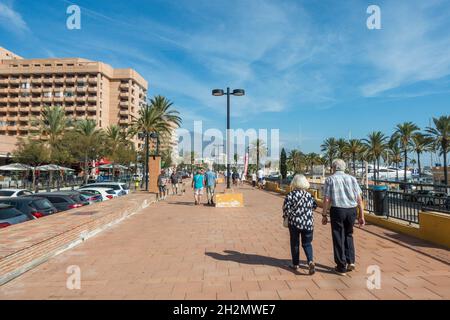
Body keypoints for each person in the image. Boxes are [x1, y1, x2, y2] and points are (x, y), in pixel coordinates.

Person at [322, 159, 365, 276]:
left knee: (338, 236)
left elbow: (326, 199)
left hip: (338, 210)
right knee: (348, 234)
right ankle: (351, 260)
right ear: (344, 168)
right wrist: (361, 215)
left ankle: (341, 266)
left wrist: (324, 214)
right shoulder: (352, 179)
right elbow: (359, 199)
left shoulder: (330, 179)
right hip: (352, 211)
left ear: (333, 168)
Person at [283, 174, 317, 274]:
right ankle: (310, 261)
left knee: (295, 243)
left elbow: (285, 209)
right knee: (307, 243)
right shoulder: (309, 195)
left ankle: (295, 264)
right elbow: (314, 207)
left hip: (294, 223)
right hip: (308, 223)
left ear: (294, 183)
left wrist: (287, 216)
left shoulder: (290, 195)